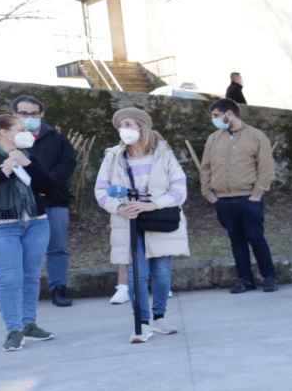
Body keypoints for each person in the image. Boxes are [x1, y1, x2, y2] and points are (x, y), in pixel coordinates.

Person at [0, 114, 59, 352]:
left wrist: (27, 164)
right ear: (3, 132)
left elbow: (49, 187)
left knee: (31, 276)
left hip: (36, 223)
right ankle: (13, 329)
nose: (27, 132)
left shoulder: (27, 155)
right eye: (20, 128)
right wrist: (3, 171)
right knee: (9, 278)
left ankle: (29, 324)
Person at [95, 107, 190, 343]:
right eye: (120, 125)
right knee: (137, 273)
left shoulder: (164, 154)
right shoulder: (113, 156)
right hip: (129, 222)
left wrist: (153, 204)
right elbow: (101, 190)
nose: (123, 129)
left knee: (162, 272)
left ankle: (159, 316)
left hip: (159, 218)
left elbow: (179, 189)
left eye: (128, 124)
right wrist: (119, 207)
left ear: (141, 127)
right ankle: (142, 322)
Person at [200, 98, 279, 293]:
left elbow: (266, 168)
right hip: (223, 200)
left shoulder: (256, 136)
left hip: (249, 198)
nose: (214, 120)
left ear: (229, 113)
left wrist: (257, 193)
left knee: (256, 237)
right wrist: (208, 193)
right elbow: (205, 168)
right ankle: (245, 280)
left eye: (216, 115)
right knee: (236, 240)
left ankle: (269, 277)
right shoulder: (213, 138)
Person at [12, 95, 78, 308]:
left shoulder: (57, 138)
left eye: (33, 113)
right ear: (15, 114)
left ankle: (58, 288)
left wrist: (46, 184)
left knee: (57, 247)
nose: (28, 117)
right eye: (23, 113)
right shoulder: (8, 139)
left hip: (54, 200)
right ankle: (16, 293)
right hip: (19, 203)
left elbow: (68, 163)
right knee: (19, 248)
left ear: (41, 114)